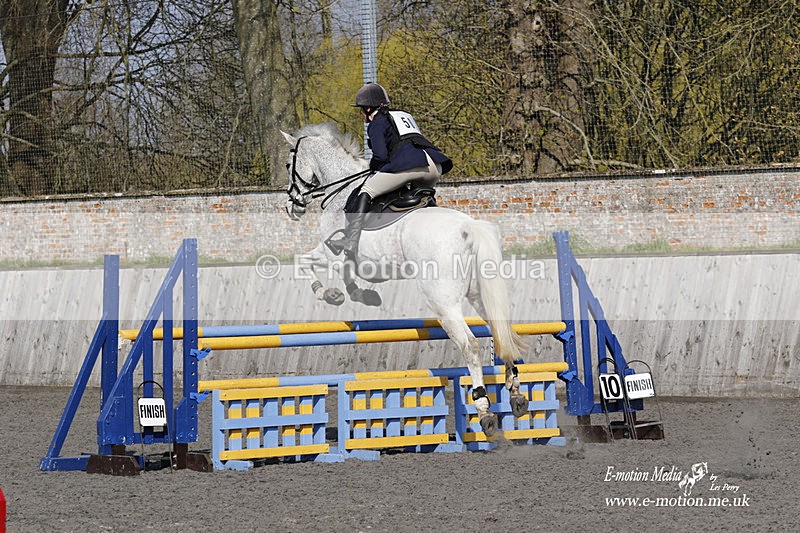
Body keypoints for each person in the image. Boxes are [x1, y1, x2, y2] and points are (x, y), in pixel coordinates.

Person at [336, 83, 452, 260]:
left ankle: (350, 240)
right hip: (434, 165)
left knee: (367, 190)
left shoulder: (377, 123)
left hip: (412, 165)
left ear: (368, 108)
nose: (360, 114)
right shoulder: (400, 116)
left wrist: (373, 167)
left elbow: (381, 156)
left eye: (361, 109)